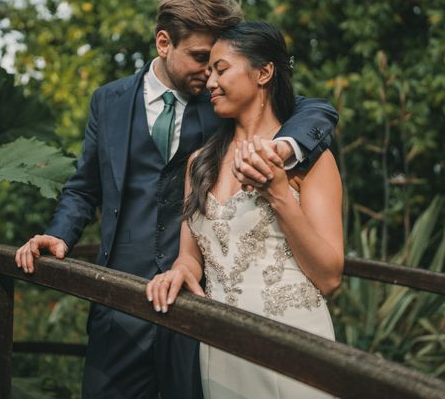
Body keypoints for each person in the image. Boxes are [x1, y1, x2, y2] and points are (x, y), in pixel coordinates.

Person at [15, 0, 338, 398]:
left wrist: (282, 150)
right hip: (120, 304)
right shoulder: (108, 101)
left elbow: (316, 110)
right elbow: (83, 188)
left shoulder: (225, 98)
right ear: (164, 43)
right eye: (202, 58)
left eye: (219, 64)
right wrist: (58, 235)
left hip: (197, 307)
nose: (210, 74)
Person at [146, 22, 344, 398]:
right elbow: (190, 259)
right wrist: (176, 273)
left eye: (221, 69)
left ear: (264, 72)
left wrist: (280, 194)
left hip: (293, 340)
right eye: (209, 73)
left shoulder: (310, 162)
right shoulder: (199, 163)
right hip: (219, 347)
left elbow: (330, 276)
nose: (210, 83)